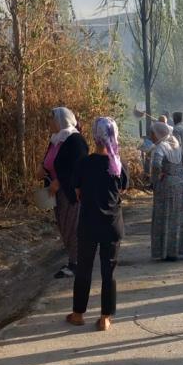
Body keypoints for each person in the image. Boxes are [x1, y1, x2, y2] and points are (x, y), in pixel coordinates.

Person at [67, 117, 128, 332]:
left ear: (95, 136)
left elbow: (77, 193)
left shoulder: (83, 163)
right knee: (108, 271)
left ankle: (78, 313)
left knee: (84, 268)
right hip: (112, 224)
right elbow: (121, 190)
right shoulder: (118, 164)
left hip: (88, 223)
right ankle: (105, 317)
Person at [45, 107, 88, 279]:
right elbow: (52, 161)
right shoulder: (56, 139)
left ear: (61, 121)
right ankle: (73, 260)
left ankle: (77, 263)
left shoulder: (75, 139)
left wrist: (60, 180)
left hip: (71, 191)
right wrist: (43, 169)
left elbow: (79, 166)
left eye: (52, 119)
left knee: (73, 226)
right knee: (64, 226)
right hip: (57, 192)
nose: (49, 123)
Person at [150, 121, 183, 262]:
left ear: (158, 134)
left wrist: (159, 175)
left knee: (167, 216)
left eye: (152, 133)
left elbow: (156, 164)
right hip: (181, 185)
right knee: (181, 217)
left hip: (168, 187)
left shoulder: (160, 147)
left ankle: (170, 252)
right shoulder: (175, 143)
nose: (151, 136)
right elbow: (181, 162)